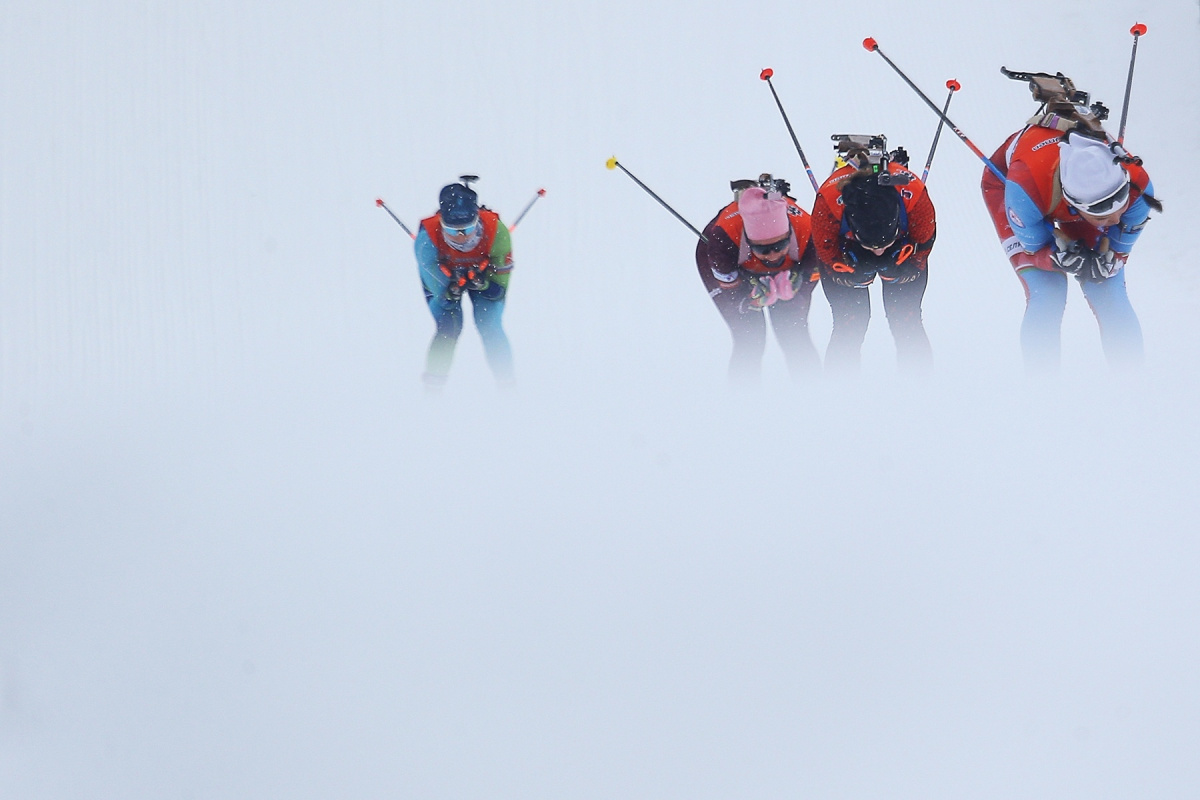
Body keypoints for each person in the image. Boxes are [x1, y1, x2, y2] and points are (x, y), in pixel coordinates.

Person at [981, 72, 1157, 372]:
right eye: (1102, 217)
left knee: (1106, 286)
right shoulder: (1025, 193)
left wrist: (1109, 257)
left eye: (1121, 205)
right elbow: (1036, 248)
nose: (1115, 219)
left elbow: (1117, 246)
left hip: (1058, 189)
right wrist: (1057, 258)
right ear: (1074, 205)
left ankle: (1134, 383)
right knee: (1047, 292)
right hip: (1011, 185)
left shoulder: (1139, 189)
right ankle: (1044, 392)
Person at [810, 138, 936, 372]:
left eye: (885, 244)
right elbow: (826, 254)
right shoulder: (827, 204)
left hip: (903, 242)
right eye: (870, 246)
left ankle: (920, 389)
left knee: (906, 320)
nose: (879, 252)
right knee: (850, 323)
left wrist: (910, 266)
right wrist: (846, 273)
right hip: (846, 245)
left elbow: (924, 243)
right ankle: (841, 393)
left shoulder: (914, 194)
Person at [695, 176, 821, 382]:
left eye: (780, 246)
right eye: (762, 249)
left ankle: (814, 395)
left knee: (794, 331)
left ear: (789, 234)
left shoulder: (809, 231)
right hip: (723, 260)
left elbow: (811, 277)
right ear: (750, 242)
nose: (772, 255)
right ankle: (744, 402)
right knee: (750, 337)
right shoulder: (722, 241)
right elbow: (731, 292)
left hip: (790, 263)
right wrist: (747, 300)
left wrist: (798, 288)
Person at [413, 178, 514, 388]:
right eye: (451, 232)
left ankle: (507, 384)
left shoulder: (497, 232)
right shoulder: (426, 240)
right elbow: (442, 296)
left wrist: (483, 284)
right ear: (441, 225)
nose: (460, 238)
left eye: (468, 230)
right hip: (444, 278)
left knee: (490, 325)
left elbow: (498, 289)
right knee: (448, 325)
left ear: (477, 219)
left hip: (484, 276)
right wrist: (451, 290)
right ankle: (433, 386)